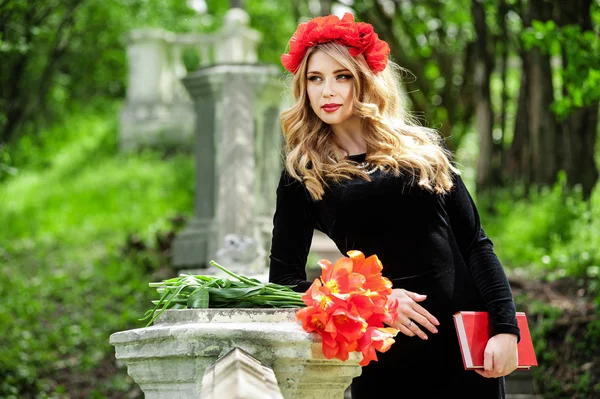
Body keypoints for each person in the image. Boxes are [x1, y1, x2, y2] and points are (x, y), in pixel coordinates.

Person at [268, 12, 520, 398]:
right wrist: (375, 304)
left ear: (365, 79)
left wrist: (505, 329)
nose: (326, 91)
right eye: (315, 79)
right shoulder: (304, 171)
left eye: (342, 76)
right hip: (389, 355)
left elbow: (475, 244)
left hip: (468, 350)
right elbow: (283, 283)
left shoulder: (422, 149)